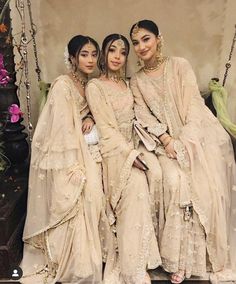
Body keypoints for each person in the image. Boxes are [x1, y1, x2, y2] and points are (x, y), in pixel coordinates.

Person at [129, 20, 236, 283]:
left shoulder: (179, 65)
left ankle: (198, 259)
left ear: (158, 38)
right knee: (175, 181)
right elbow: (142, 115)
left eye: (146, 39)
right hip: (163, 144)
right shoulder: (138, 81)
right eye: (136, 42)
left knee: (205, 188)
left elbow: (192, 108)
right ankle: (176, 260)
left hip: (197, 136)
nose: (141, 46)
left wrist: (183, 143)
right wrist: (167, 140)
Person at [21, 35, 113, 284]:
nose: (90, 59)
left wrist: (90, 117)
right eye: (84, 54)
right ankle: (75, 261)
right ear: (72, 57)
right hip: (66, 157)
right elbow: (59, 130)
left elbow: (89, 112)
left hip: (86, 149)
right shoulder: (63, 85)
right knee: (89, 191)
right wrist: (75, 165)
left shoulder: (89, 84)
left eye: (94, 54)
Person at [86, 33, 162, 284]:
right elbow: (106, 130)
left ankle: (144, 259)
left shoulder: (128, 85)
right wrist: (129, 156)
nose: (117, 56)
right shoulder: (95, 86)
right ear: (104, 55)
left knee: (159, 176)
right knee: (137, 186)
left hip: (135, 146)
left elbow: (140, 116)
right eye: (112, 50)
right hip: (114, 152)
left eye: (122, 52)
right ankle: (132, 269)